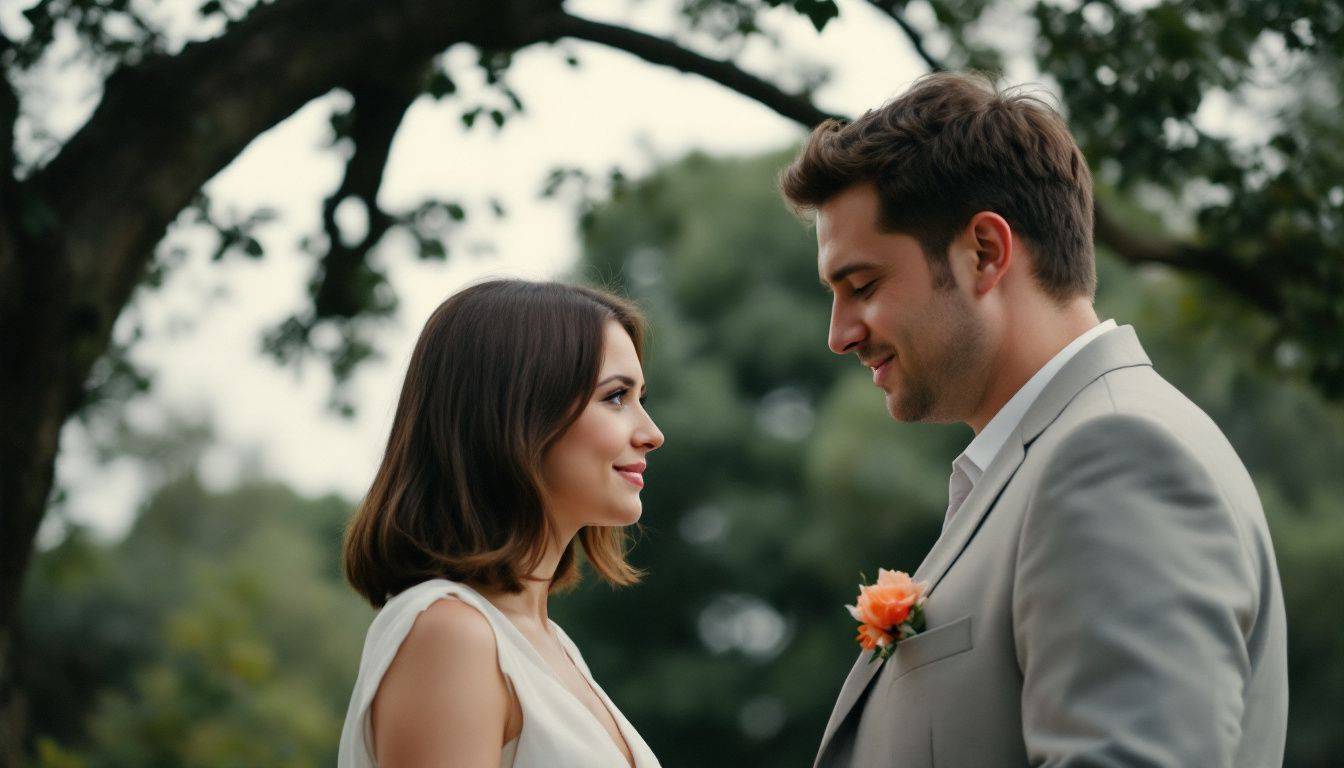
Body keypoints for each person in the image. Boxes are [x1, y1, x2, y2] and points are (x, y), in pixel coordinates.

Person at [780, 72, 1288, 767]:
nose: (839, 334)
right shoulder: (1053, 461)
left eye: (862, 285)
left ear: (985, 252)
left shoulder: (1118, 459)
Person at [337, 279, 664, 768]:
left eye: (640, 398)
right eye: (616, 397)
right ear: (518, 415)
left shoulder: (549, 644)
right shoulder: (450, 635)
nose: (652, 434)